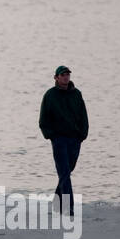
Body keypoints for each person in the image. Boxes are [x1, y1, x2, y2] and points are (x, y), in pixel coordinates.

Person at [38, 66, 88, 216]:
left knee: (68, 170)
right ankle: (68, 207)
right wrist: (51, 135)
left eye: (67, 75)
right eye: (63, 75)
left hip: (75, 139)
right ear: (56, 78)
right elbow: (43, 120)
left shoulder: (76, 94)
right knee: (64, 173)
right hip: (59, 140)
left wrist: (82, 135)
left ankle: (56, 203)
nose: (66, 77)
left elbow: (83, 116)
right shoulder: (50, 95)